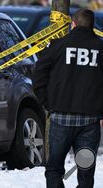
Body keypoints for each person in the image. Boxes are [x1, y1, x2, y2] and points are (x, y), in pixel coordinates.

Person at [32, 9, 103, 188]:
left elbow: (39, 74)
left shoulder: (58, 45)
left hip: (61, 118)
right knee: (86, 168)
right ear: (92, 25)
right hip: (90, 120)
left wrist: (46, 102)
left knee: (55, 169)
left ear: (73, 24)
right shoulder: (101, 48)